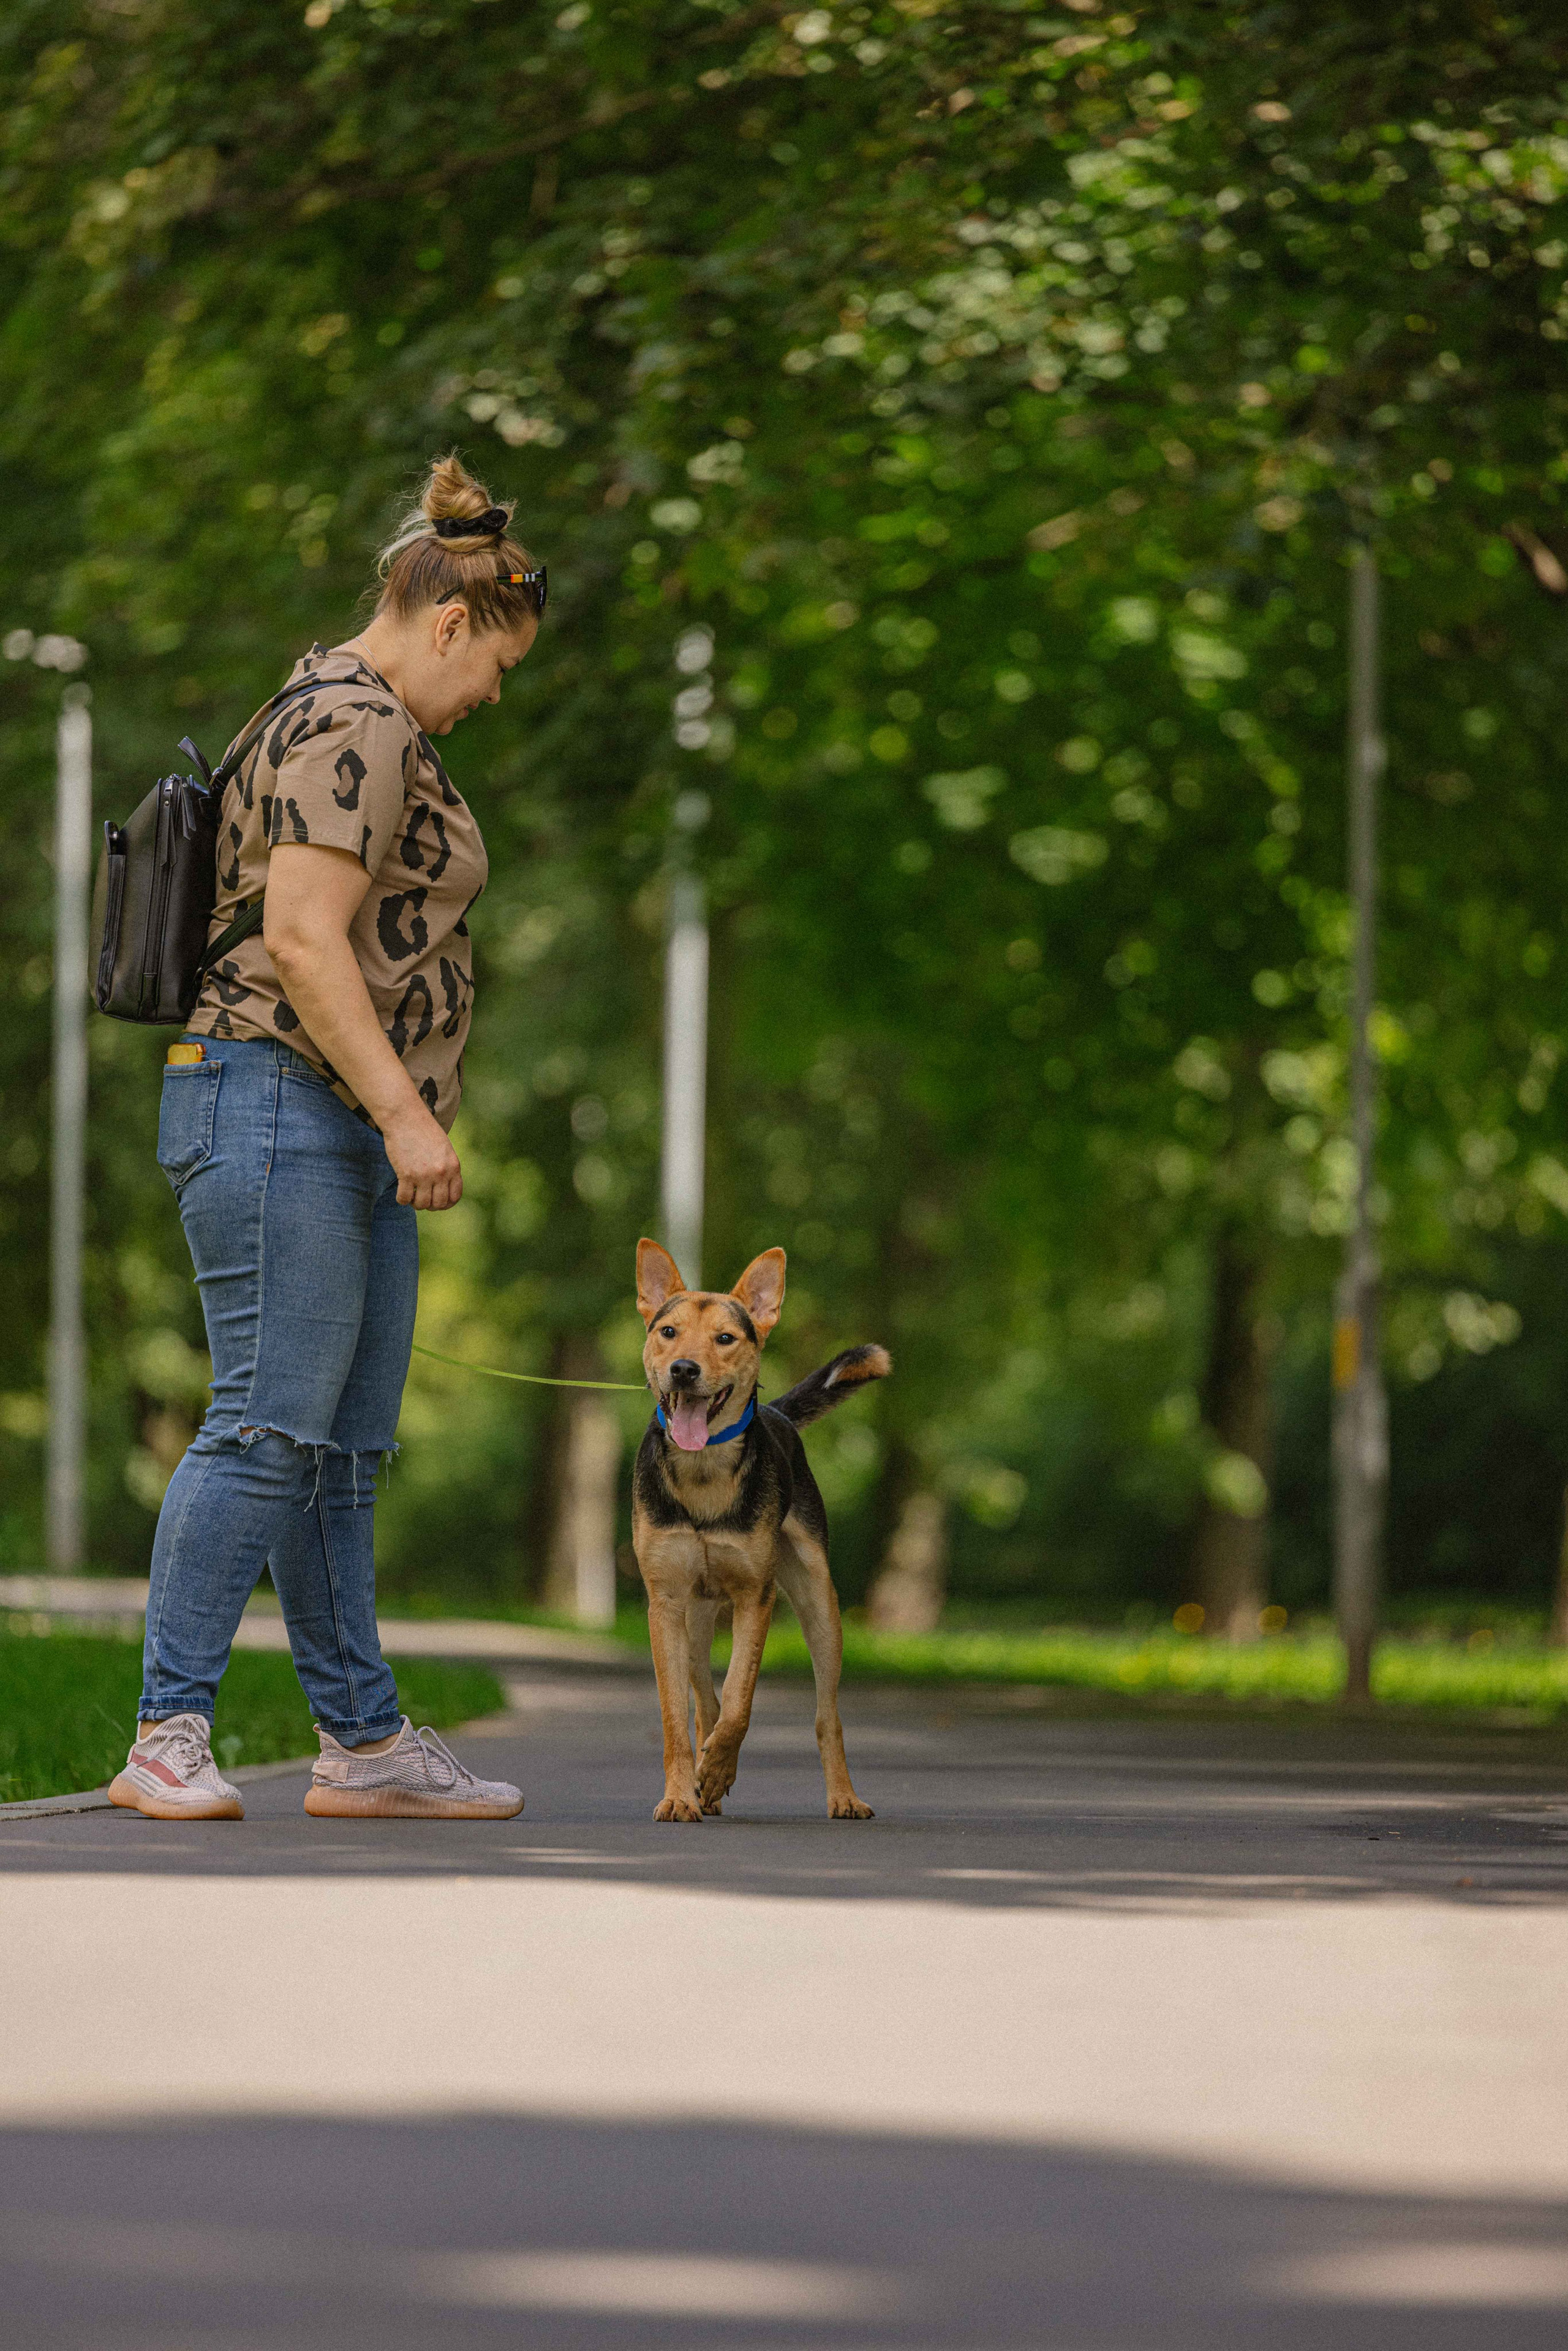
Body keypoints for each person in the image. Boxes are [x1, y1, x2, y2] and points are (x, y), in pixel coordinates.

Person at [108, 454, 542, 1823]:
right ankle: (165, 1730)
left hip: (330, 1114)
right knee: (261, 1424)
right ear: (450, 621)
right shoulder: (354, 722)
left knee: (338, 1450)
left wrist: (392, 1115)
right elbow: (300, 935)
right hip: (275, 1095)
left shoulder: (357, 714)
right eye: (495, 668)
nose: (489, 698)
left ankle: (358, 1740)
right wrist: (409, 1111)